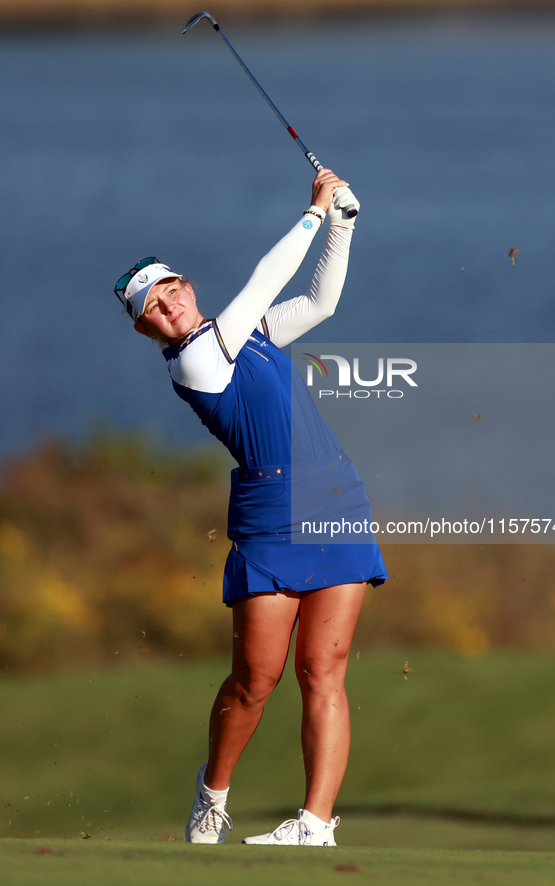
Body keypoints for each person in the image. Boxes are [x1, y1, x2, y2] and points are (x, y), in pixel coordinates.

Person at [114, 170, 388, 847]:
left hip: (335, 499)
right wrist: (314, 211)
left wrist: (343, 225)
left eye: (170, 288)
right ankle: (213, 798)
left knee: (323, 670)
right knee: (253, 681)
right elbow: (264, 282)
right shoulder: (195, 362)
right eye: (151, 304)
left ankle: (315, 823)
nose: (167, 303)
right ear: (146, 326)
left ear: (187, 287)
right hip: (270, 518)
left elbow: (317, 302)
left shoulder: (252, 333)